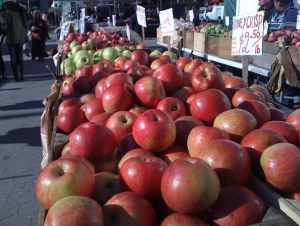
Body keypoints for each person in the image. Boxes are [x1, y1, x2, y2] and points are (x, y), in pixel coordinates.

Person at [0, 0, 28, 82]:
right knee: (20, 56)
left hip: (9, 37)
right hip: (20, 36)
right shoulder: (19, 10)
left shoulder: (3, 12)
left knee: (13, 57)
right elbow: (25, 23)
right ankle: (21, 73)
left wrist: (1, 32)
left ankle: (16, 76)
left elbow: (4, 25)